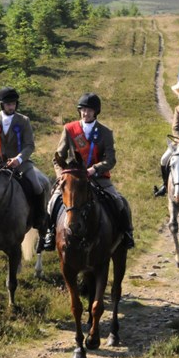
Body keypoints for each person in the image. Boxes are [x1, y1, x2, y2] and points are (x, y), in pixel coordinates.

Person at [42, 93, 135, 250]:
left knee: (119, 202)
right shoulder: (69, 129)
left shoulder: (105, 132)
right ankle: (50, 234)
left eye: (90, 110)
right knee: (53, 202)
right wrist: (62, 176)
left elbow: (111, 160)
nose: (86, 113)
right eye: (83, 110)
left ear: (96, 112)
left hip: (97, 177)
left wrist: (94, 169)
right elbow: (57, 158)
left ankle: (127, 234)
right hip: (73, 178)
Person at [0, 87, 51, 252]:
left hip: (20, 162)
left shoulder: (23, 120)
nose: (11, 106)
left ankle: (40, 219)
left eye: (13, 104)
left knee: (37, 186)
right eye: (8, 104)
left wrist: (19, 159)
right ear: (2, 105)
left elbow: (29, 145)